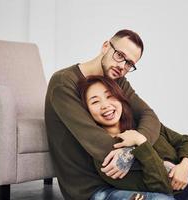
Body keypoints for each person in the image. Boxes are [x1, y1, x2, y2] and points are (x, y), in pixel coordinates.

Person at [45, 29, 176, 200]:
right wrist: (157, 163)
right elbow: (99, 143)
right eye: (120, 55)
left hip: (125, 180)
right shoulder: (64, 82)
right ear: (106, 46)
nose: (122, 66)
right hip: (91, 189)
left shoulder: (117, 80)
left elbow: (149, 116)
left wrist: (136, 143)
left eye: (129, 64)